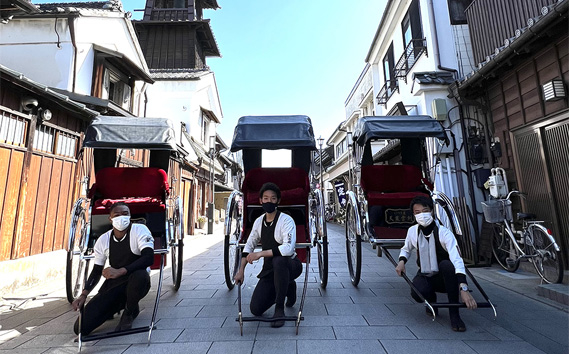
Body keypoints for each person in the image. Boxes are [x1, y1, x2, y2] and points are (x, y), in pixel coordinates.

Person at [395, 195, 477, 332]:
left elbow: (457, 259)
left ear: (432, 211)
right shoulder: (413, 231)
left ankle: (454, 314)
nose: (422, 215)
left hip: (447, 278)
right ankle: (431, 299)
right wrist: (401, 262)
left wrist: (464, 288)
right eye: (417, 212)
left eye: (425, 210)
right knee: (417, 293)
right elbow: (406, 248)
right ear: (414, 215)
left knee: (447, 264)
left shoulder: (444, 233)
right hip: (426, 273)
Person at [72, 202, 154, 335]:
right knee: (80, 328)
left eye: (125, 214)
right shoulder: (103, 239)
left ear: (130, 216)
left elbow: (148, 258)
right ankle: (117, 306)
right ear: (110, 218)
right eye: (117, 214)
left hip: (137, 282)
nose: (121, 217)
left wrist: (121, 271)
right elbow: (97, 271)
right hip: (115, 285)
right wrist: (84, 294)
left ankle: (129, 311)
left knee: (140, 275)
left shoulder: (139, 230)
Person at [234, 182, 302, 328]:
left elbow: (288, 249)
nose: (269, 201)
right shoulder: (259, 222)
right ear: (260, 201)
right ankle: (288, 286)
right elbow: (249, 245)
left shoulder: (286, 220)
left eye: (273, 198)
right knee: (256, 309)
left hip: (291, 266)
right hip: (270, 271)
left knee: (279, 260)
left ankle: (279, 309)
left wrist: (260, 254)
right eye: (265, 198)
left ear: (278, 201)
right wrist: (241, 271)